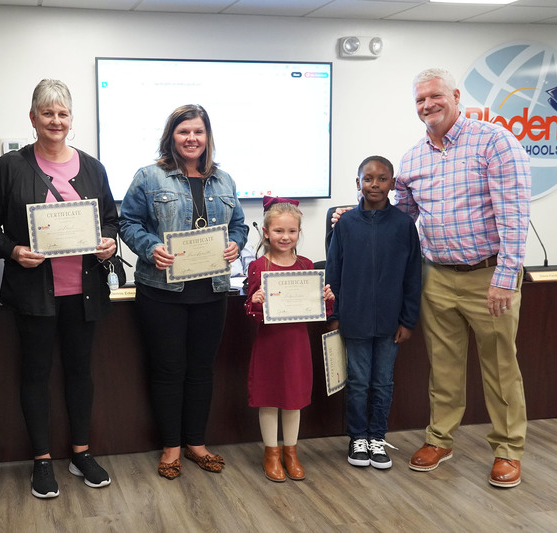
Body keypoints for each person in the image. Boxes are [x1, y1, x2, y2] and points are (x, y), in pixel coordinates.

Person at [334, 68, 530, 487]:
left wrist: (506, 275)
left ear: (456, 96)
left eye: (435, 96)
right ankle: (440, 439)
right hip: (436, 275)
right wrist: (348, 216)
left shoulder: (494, 142)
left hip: (488, 274)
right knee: (442, 366)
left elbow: (515, 213)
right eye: (420, 100)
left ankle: (508, 449)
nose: (428, 105)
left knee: (500, 366)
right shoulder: (413, 159)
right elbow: (398, 218)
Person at [0, 79, 118, 499]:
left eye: (63, 114)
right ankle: (41, 460)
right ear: (33, 118)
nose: (56, 121)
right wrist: (13, 250)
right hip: (35, 294)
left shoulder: (92, 167)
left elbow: (110, 219)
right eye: (48, 113)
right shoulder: (12, 167)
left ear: (71, 121)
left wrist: (108, 240)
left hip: (84, 292)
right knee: (35, 375)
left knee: (80, 374)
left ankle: (81, 453)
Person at [120, 104, 248, 480]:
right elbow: (127, 222)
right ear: (171, 136)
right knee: (168, 370)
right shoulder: (149, 176)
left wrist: (236, 245)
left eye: (198, 132)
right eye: (183, 132)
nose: (191, 138)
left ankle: (196, 443)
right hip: (162, 291)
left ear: (207, 137)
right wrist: (149, 247)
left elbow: (238, 225)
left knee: (201, 370)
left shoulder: (224, 180)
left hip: (211, 290)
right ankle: (171, 447)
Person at [325, 156, 421, 470]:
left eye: (382, 179)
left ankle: (377, 437)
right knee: (357, 382)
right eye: (368, 179)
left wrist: (408, 320)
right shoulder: (346, 224)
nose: (375, 185)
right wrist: (335, 315)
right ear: (358, 183)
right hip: (353, 320)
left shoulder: (404, 225)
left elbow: (412, 276)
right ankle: (358, 438)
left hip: (391, 324)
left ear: (392, 184)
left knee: (382, 383)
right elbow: (334, 273)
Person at [244, 197, 334, 482]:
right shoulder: (259, 266)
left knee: (293, 399)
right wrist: (256, 301)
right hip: (270, 344)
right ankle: (271, 452)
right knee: (269, 399)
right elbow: (252, 313)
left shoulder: (307, 265)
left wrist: (326, 299)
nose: (285, 237)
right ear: (267, 233)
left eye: (292, 231)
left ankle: (291, 452)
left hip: (297, 344)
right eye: (279, 231)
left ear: (299, 232)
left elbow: (318, 313)